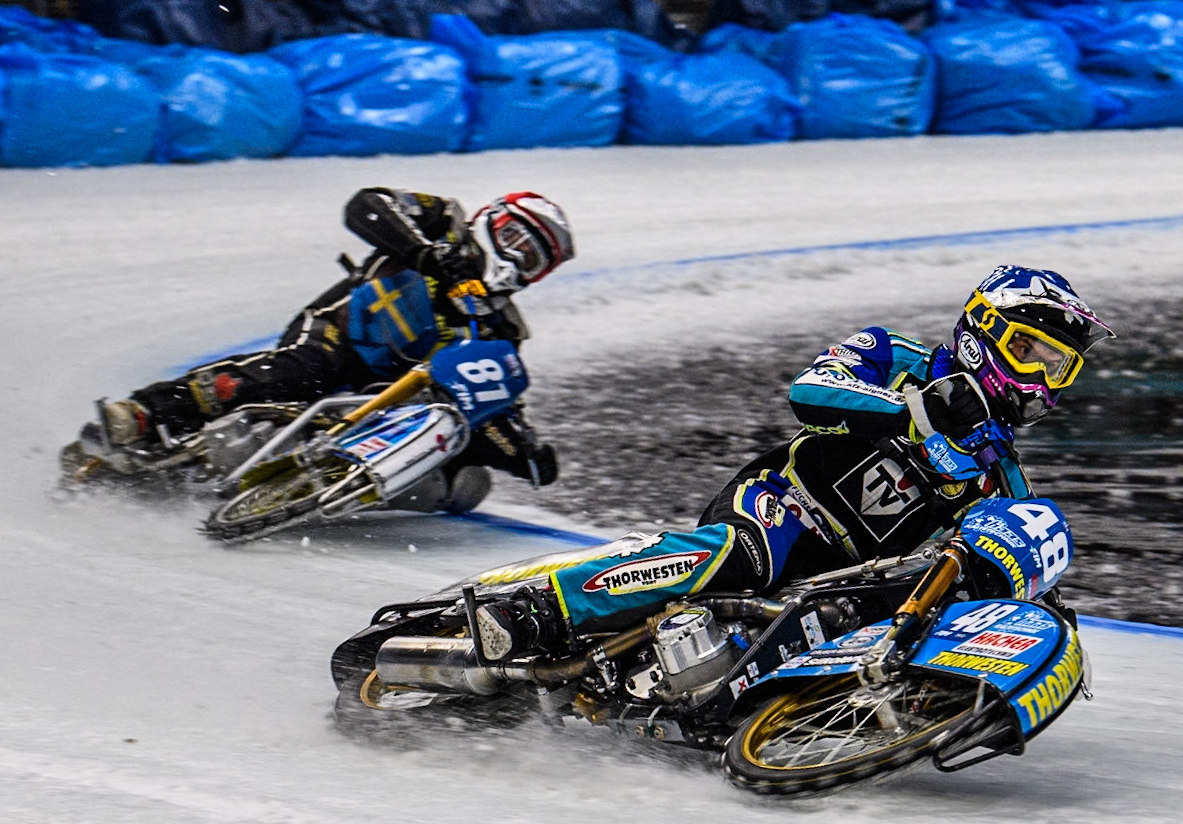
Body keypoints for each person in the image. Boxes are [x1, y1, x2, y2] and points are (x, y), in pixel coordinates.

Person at [473, 264, 1114, 663]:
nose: (1041, 380)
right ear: (982, 329)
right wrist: (913, 412)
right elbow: (809, 391)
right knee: (742, 554)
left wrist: (1046, 610)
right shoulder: (896, 356)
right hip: (784, 506)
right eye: (1030, 352)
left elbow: (1012, 545)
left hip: (852, 579)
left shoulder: (1000, 470)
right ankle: (542, 608)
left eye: (1059, 366)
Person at [86, 187, 575, 493]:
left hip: (387, 396)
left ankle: (318, 490)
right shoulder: (441, 218)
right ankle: (146, 413)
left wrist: (523, 451)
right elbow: (366, 206)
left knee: (462, 479)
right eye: (516, 239)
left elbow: (485, 397)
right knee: (306, 366)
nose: (516, 259)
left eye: (533, 258)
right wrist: (424, 254)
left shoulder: (503, 328)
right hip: (337, 331)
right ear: (492, 220)